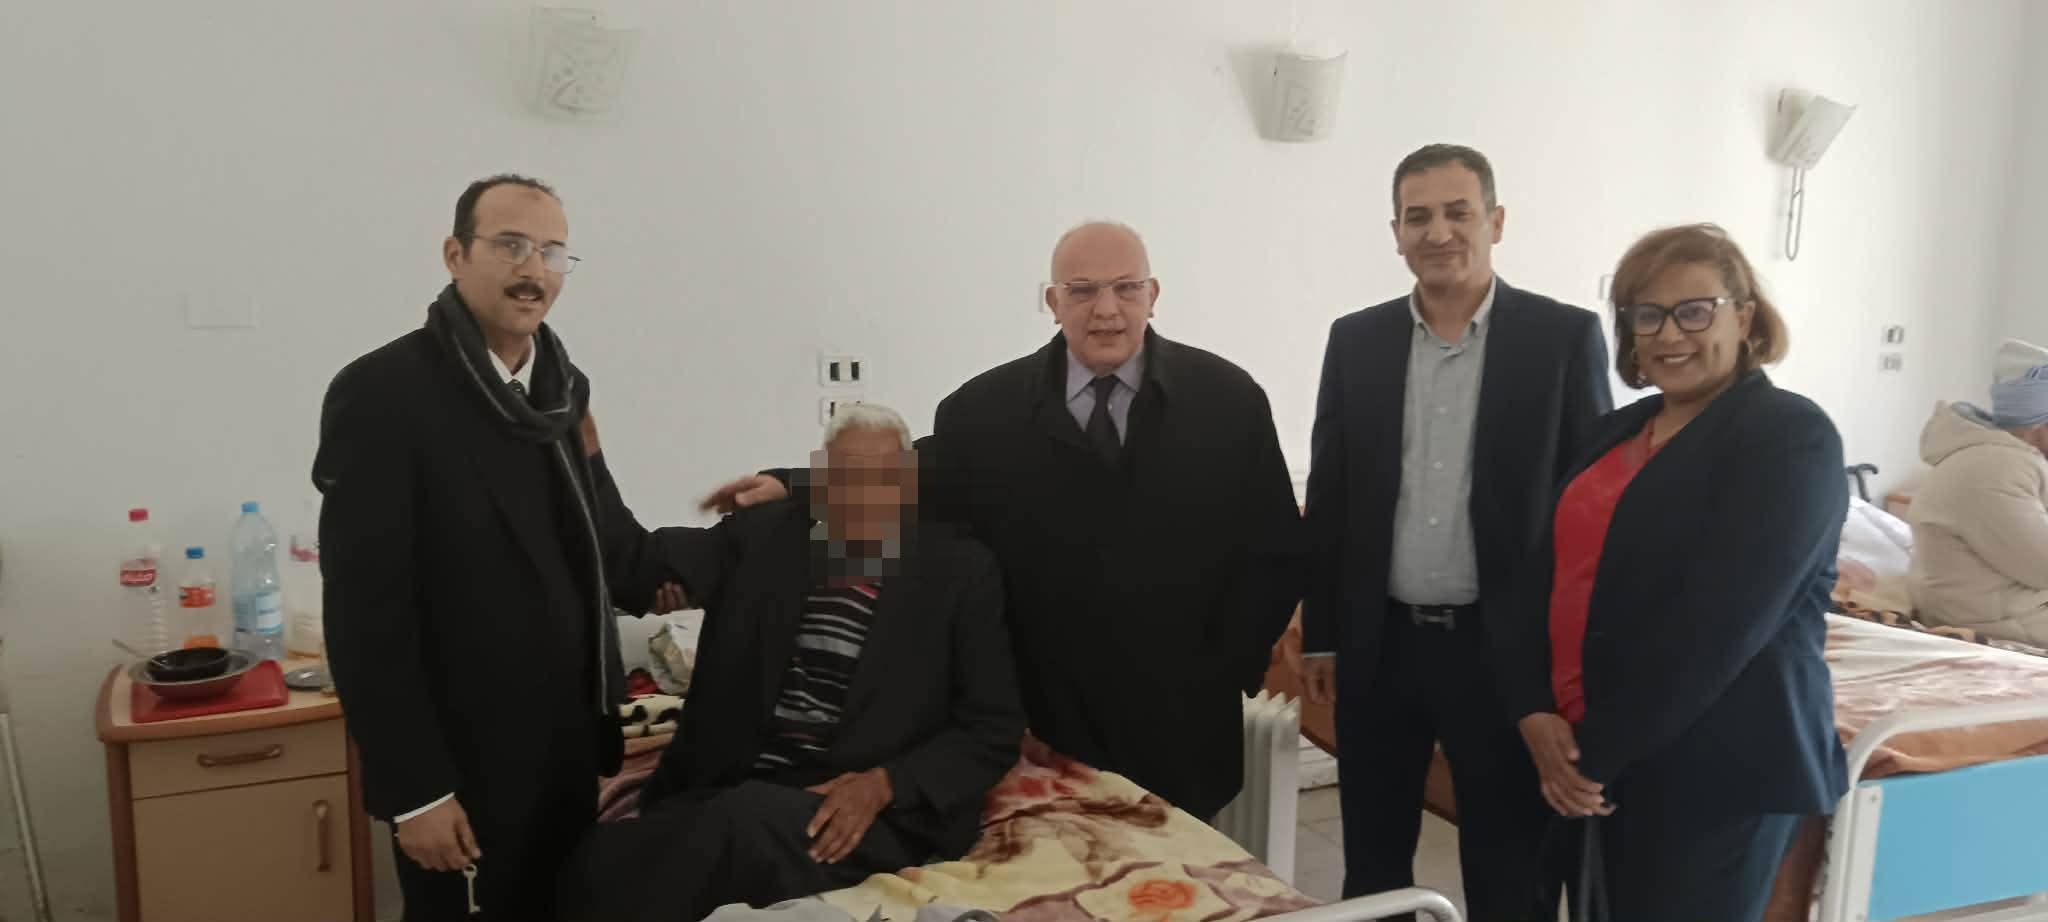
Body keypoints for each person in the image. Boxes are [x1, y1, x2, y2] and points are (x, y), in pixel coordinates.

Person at [706, 222, 1304, 820]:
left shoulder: (1228, 401)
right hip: (1040, 730)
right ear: (1052, 302)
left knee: (1183, 876)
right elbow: (910, 479)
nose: (1106, 310)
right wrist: (795, 485)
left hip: (1182, 729)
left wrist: (1224, 668)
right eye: (1082, 290)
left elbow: (1273, 548)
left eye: (1126, 288)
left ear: (1153, 294)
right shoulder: (982, 410)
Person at [314, 175, 681, 921]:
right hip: (464, 765)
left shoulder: (562, 391)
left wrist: (780, 520)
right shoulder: (384, 393)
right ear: (456, 255)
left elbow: (612, 548)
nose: (533, 269)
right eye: (511, 245)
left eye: (552, 251)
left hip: (566, 754)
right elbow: (365, 619)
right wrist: (416, 793)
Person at [1297, 143, 1612, 919]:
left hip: (1504, 654)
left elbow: (1591, 513)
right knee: (1374, 861)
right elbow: (1331, 496)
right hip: (1381, 647)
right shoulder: (1356, 340)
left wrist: (1570, 665)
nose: (1437, 232)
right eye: (1418, 217)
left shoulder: (1562, 339)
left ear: (1495, 222)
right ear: (1396, 234)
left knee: (1510, 867)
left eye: (1457, 212)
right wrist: (1323, 635)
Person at [1501, 223, 1847, 922]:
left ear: (1744, 317)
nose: (1668, 335)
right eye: (1647, 315)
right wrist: (1532, 708)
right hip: (1594, 750)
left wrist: (1592, 755)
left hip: (1716, 769)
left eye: (1694, 311)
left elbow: (1719, 628)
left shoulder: (1788, 436)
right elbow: (1544, 576)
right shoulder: (1616, 431)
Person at [557, 404, 1023, 922]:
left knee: (735, 828)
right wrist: (586, 453)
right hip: (731, 786)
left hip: (864, 810)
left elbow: (992, 728)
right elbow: (634, 568)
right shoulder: (765, 536)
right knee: (596, 856)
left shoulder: (960, 572)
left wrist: (884, 784)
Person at [1906, 339, 2048, 647]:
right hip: (1999, 619)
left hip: (2008, 609)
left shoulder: (2001, 460)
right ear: (2038, 427)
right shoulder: (1996, 468)